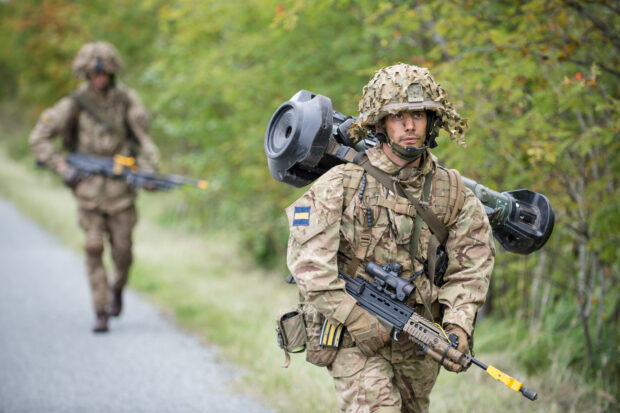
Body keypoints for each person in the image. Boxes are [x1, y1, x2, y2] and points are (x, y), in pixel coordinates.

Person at [285, 64, 495, 412]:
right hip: (352, 335)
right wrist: (356, 319)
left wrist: (457, 327)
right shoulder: (341, 184)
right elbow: (308, 266)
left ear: (433, 121)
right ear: (380, 124)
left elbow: (472, 269)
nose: (409, 126)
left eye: (418, 115)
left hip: (418, 338)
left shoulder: (454, 193)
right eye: (398, 117)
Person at [29, 41, 160, 333]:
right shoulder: (73, 104)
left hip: (121, 192)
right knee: (92, 247)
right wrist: (63, 167)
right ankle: (100, 310)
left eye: (104, 73)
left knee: (123, 253)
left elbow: (145, 140)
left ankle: (117, 288)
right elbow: (39, 137)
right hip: (88, 192)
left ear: (112, 72)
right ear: (85, 74)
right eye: (93, 73)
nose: (99, 78)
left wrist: (149, 172)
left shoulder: (126, 100)